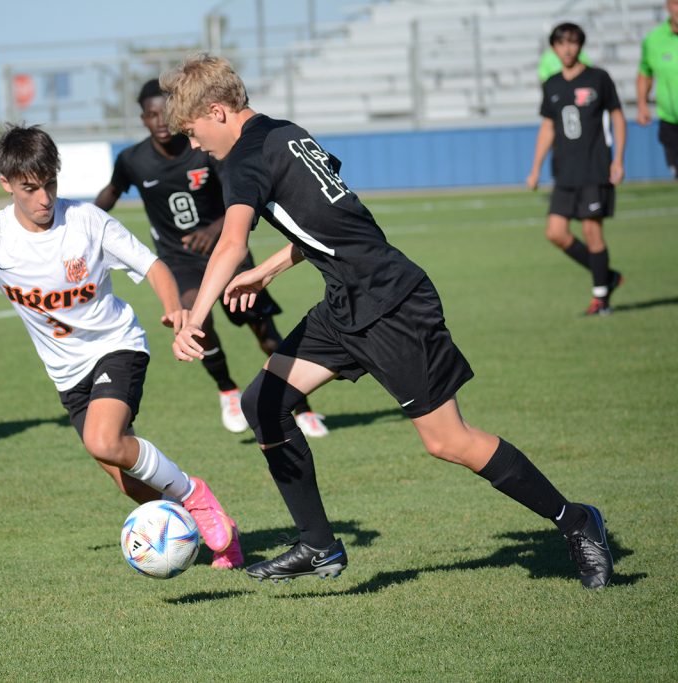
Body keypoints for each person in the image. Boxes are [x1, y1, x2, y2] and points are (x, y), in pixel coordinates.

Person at [162, 54, 613, 589]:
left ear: (217, 111)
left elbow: (230, 241)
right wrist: (269, 270)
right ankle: (317, 544)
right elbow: (330, 217)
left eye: (193, 132)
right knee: (264, 402)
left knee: (449, 441)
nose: (194, 145)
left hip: (392, 304)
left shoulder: (242, 159)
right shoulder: (286, 133)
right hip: (346, 304)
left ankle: (577, 521)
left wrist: (195, 317)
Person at [0, 124, 244, 569]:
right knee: (124, 478)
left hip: (116, 346)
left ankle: (196, 496)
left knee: (104, 440)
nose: (44, 198)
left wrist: (173, 309)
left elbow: (153, 266)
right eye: (30, 188)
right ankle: (218, 537)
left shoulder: (87, 221)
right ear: (6, 184)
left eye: (50, 184)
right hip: (67, 375)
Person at [95, 79, 328, 438]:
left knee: (262, 328)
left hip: (227, 252)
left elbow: (239, 196)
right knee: (192, 319)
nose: (159, 121)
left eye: (165, 114)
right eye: (151, 115)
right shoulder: (132, 160)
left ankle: (301, 406)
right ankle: (227, 390)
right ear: (143, 118)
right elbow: (111, 193)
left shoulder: (203, 148)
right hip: (179, 260)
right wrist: (83, 222)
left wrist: (214, 229)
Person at [526, 23, 625, 316]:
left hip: (595, 168)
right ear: (554, 48)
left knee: (592, 231)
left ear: (580, 45)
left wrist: (618, 158)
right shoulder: (553, 84)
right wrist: (535, 168)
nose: (567, 49)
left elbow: (618, 116)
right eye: (561, 44)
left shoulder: (598, 78)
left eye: (572, 43)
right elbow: (547, 127)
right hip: (564, 171)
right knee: (555, 232)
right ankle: (607, 276)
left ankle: (600, 298)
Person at [636, 0, 678, 179]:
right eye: (676, 3)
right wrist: (642, 104)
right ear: (667, 6)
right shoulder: (654, 40)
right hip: (670, 121)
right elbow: (645, 73)